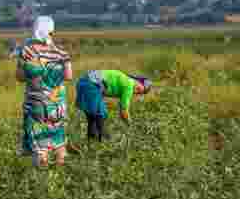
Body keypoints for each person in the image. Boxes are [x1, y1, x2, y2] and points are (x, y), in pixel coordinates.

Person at [16, 16, 74, 168]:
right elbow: (68, 76)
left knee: (39, 141)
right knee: (58, 137)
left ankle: (42, 172)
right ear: (51, 31)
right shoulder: (61, 52)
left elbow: (20, 77)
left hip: (37, 105)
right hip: (58, 106)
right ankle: (61, 170)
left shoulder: (28, 51)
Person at [75, 70, 153, 141]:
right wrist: (131, 125)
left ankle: (92, 140)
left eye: (139, 93)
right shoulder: (129, 84)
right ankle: (103, 139)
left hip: (84, 81)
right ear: (137, 80)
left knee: (92, 116)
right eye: (140, 88)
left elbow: (122, 109)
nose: (137, 91)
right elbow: (124, 111)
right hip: (91, 83)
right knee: (101, 113)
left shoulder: (125, 80)